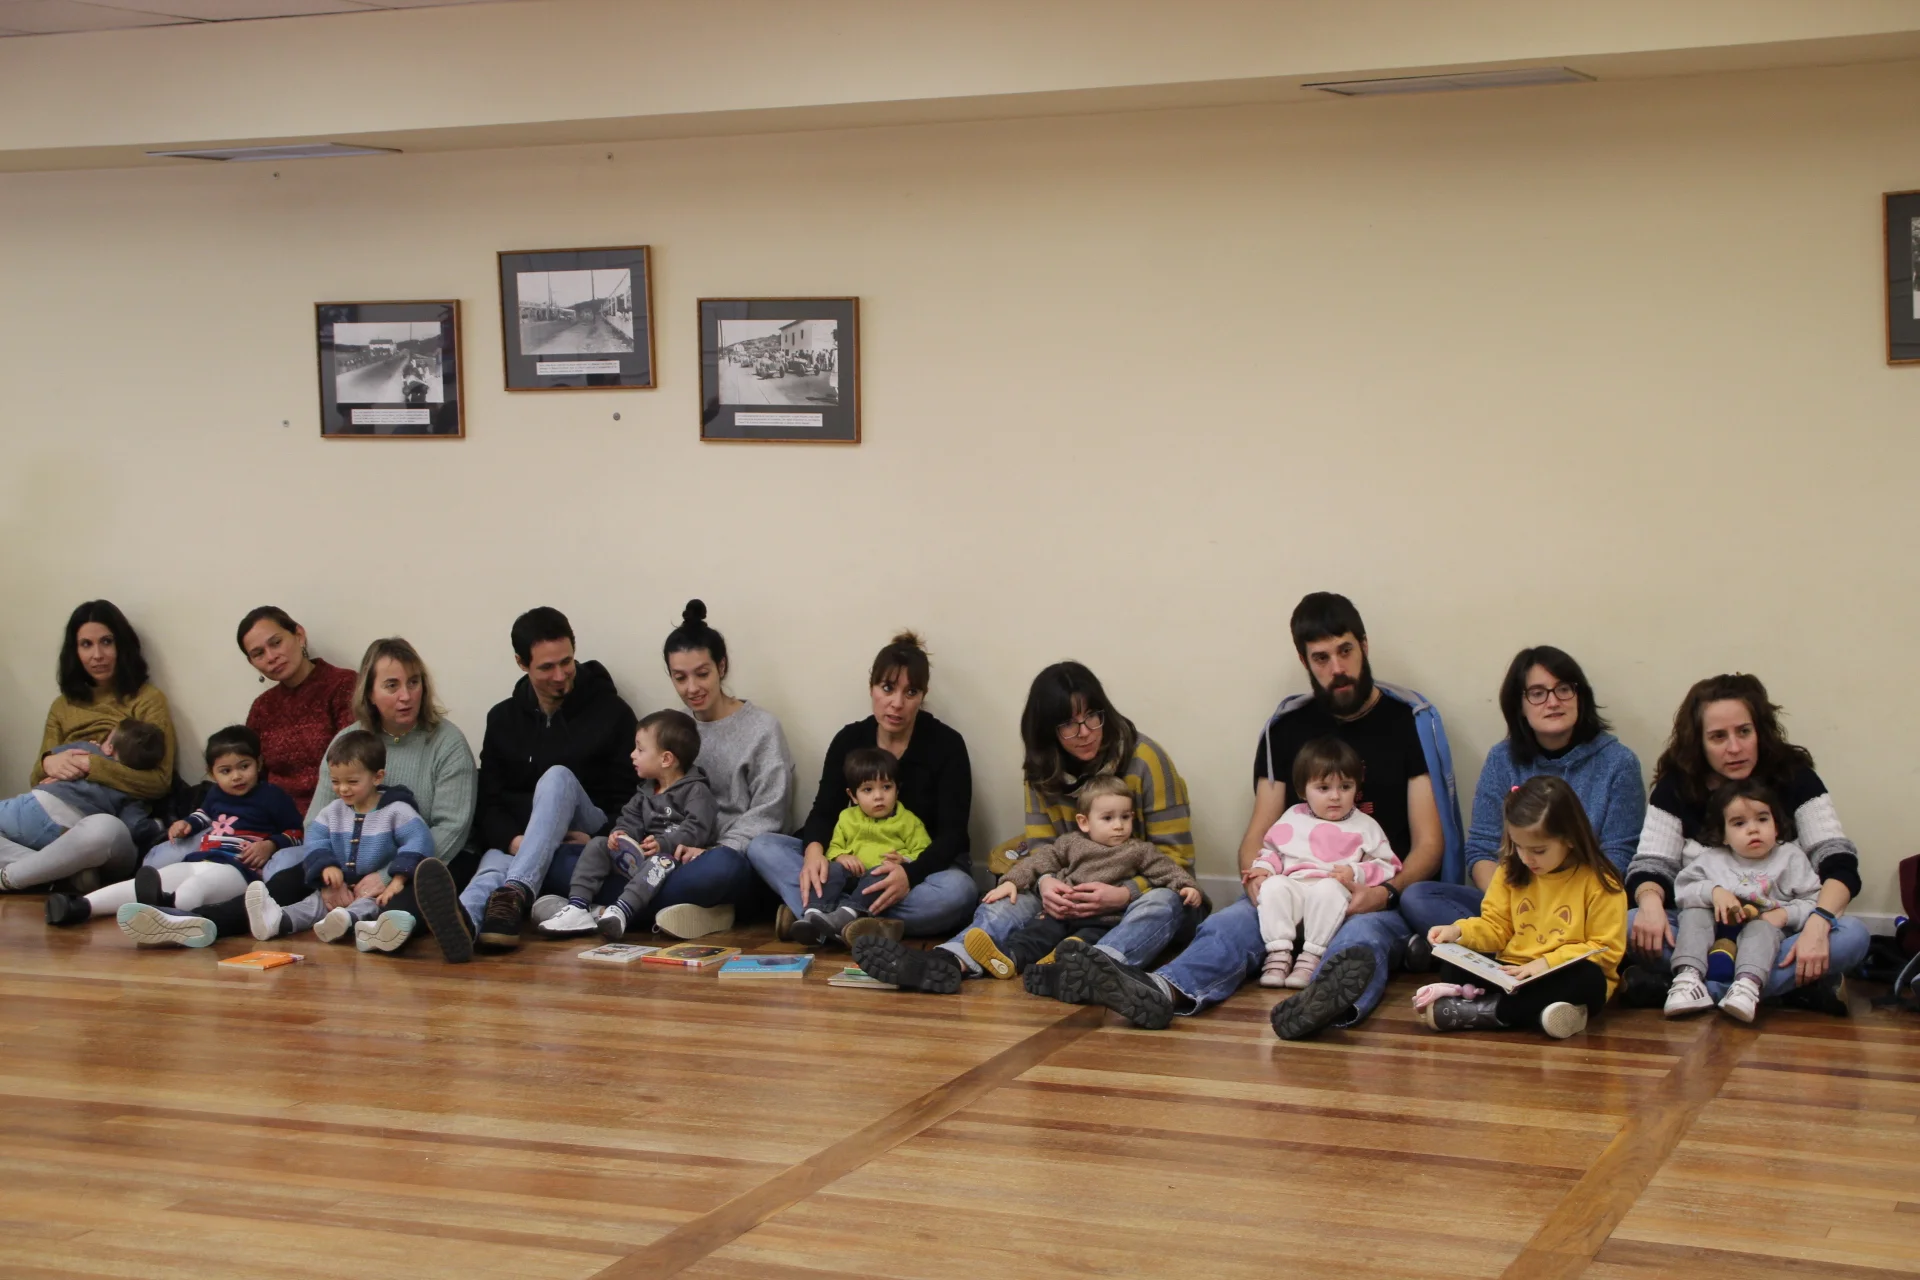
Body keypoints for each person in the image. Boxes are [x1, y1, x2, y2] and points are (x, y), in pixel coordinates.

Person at [1076, 593, 1448, 1038]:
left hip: (1369, 894)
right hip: (1290, 886)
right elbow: (1260, 832)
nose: (1337, 668)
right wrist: (1255, 879)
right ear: (1304, 660)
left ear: (1364, 647)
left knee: (1361, 941)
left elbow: (1429, 844)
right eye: (1321, 658)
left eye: (1345, 651)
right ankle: (1163, 991)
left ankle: (1322, 1005)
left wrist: (1384, 893)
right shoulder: (1287, 728)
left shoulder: (1407, 722)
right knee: (1226, 925)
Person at [420, 600, 790, 957]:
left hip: (712, 856)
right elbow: (642, 800)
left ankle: (593, 908)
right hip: (653, 857)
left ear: (722, 666)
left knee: (722, 870)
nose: (692, 687)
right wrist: (622, 839)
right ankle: (659, 909)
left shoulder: (759, 729)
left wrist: (713, 849)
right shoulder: (669, 729)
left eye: (702, 673)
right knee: (559, 859)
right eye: (680, 677)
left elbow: (769, 812)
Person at [122, 638, 477, 949]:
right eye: (392, 685)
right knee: (284, 883)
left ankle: (383, 934)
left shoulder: (446, 742)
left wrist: (386, 876)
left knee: (412, 896)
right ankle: (196, 922)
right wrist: (327, 874)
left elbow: (451, 829)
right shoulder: (348, 740)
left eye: (414, 682)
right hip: (345, 861)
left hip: (413, 863)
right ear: (369, 692)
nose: (406, 695)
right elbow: (317, 819)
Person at [1624, 673, 1870, 1015]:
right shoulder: (1675, 788)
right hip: (1700, 930)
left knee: (1854, 935)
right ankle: (1777, 990)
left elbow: (1837, 862)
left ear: (1760, 731)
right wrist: (1650, 906)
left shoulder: (1796, 777)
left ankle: (1693, 987)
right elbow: (1652, 866)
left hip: (1777, 929)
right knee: (1628, 922)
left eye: (1743, 732)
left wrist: (1818, 923)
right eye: (1718, 737)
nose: (1734, 748)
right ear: (1699, 742)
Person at [857, 775, 1199, 996]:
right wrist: (1010, 882)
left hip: (1101, 922)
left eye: (1125, 818)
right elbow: (1038, 862)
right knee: (1034, 935)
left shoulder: (1138, 850)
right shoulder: (1071, 843)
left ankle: (1067, 971)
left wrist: (1185, 886)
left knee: (1077, 947)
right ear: (1084, 822)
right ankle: (993, 959)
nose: (1119, 826)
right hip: (1058, 913)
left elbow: (1167, 868)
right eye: (1108, 818)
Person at [1401, 646, 1644, 945]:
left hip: (1580, 912)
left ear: (1580, 696)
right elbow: (1482, 848)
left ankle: (1501, 954)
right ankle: (1506, 948)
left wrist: (1556, 908)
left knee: (1632, 925)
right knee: (1418, 896)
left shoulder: (1619, 762)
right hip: (1512, 906)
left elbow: (1618, 857)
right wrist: (1511, 905)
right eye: (1538, 693)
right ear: (1519, 705)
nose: (1553, 702)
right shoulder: (1502, 759)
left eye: (1563, 689)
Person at [746, 632, 975, 940]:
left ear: (923, 695)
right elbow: (824, 812)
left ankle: (819, 915)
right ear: (871, 687)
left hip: (914, 871)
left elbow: (953, 834)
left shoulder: (947, 744)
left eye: (911, 692)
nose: (897, 703)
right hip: (847, 867)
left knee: (960, 891)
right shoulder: (848, 740)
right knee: (762, 847)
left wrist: (909, 874)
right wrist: (814, 855)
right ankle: (858, 922)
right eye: (887, 688)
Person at [447, 607, 638, 952]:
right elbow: (489, 801)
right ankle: (466, 923)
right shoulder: (502, 719)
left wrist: (596, 836)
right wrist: (513, 841)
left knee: (557, 778)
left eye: (567, 662)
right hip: (522, 839)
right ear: (522, 663)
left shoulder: (613, 714)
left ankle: (516, 889)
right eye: (547, 667)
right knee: (493, 867)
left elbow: (630, 800)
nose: (561, 675)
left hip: (585, 829)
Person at [1417, 775, 1626, 1039]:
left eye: (1539, 850)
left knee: (1590, 979)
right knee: (1450, 964)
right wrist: (1459, 932)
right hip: (1511, 973)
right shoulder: (1510, 871)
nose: (1527, 859)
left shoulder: (1601, 883)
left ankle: (1491, 1012)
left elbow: (1605, 950)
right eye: (1519, 847)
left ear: (1570, 838)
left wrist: (1546, 963)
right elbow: (1496, 927)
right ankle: (1544, 1012)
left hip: (1560, 975)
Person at [48, 725, 302, 927]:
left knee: (194, 888)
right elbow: (203, 815)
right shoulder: (216, 794)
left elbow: (296, 832)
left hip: (239, 870)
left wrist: (271, 845)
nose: (236, 776)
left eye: (244, 767)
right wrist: (186, 824)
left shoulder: (273, 796)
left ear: (259, 763)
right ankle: (81, 906)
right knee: (162, 877)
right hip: (202, 858)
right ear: (212, 773)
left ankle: (163, 908)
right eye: (226, 771)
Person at [2, 601, 176, 893]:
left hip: (109, 833)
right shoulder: (62, 706)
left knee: (102, 829)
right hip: (51, 826)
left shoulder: (148, 699)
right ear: (75, 651)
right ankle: (55, 874)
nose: (97, 655)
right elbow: (37, 782)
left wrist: (90, 765)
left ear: (122, 645)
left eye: (106, 642)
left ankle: (13, 877)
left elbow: (159, 782)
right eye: (86, 644)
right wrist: (48, 763)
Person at [243, 730, 431, 953]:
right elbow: (315, 840)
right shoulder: (332, 812)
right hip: (337, 887)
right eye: (335, 781)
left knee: (367, 906)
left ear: (377, 777)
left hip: (373, 891)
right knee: (313, 904)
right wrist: (326, 867)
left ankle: (346, 922)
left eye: (352, 781)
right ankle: (277, 920)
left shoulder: (398, 811)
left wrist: (397, 880)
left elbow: (418, 842)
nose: (342, 789)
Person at [538, 709, 717, 942]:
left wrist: (664, 844)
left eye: (640, 750)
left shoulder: (696, 791)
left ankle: (621, 910)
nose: (632, 755)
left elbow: (698, 829)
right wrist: (620, 835)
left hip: (670, 861)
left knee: (660, 861)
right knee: (598, 844)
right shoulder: (644, 792)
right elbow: (629, 819)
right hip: (638, 858)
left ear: (666, 759)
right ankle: (578, 906)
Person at [1663, 779, 1822, 1023]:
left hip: (1765, 941)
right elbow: (1683, 891)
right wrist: (1714, 892)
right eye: (1739, 823)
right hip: (1712, 940)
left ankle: (1747, 986)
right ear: (1723, 834)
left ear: (1776, 826)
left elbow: (1813, 899)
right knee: (1690, 914)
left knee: (1847, 934)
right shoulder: (1711, 859)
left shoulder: (1790, 858)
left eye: (1762, 819)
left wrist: (1785, 915)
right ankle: (1688, 978)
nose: (1753, 829)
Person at [1253, 737, 1400, 990]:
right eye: (1323, 788)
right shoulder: (1292, 817)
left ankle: (1311, 956)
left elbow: (1387, 865)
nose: (1335, 796)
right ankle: (1278, 954)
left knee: (1327, 889)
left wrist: (1355, 871)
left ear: (1357, 788)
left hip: (1333, 894)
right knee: (1274, 886)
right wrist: (1263, 868)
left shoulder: (1365, 825)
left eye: (1345, 787)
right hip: (1296, 888)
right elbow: (1273, 851)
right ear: (1303, 791)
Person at [3, 719, 166, 897]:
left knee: (104, 829)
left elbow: (50, 763)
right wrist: (158, 825)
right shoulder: (133, 791)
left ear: (110, 747)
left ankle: (32, 873)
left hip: (30, 808)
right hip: (71, 835)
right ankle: (58, 872)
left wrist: (52, 759)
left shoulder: (85, 750)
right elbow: (135, 826)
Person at [789, 747, 932, 946]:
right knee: (830, 870)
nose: (878, 796)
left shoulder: (908, 821)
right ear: (853, 796)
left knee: (882, 874)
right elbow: (833, 847)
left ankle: (846, 914)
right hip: (850, 875)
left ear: (897, 790)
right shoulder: (847, 818)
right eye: (868, 790)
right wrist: (841, 856)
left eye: (886, 787)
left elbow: (924, 851)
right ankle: (813, 914)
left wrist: (904, 860)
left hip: (879, 879)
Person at [236, 606, 358, 812]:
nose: (271, 657)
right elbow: (250, 772)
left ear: (299, 635)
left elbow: (355, 763)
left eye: (276, 643)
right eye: (259, 654)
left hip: (332, 814)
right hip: (270, 816)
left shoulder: (343, 685)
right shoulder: (261, 707)